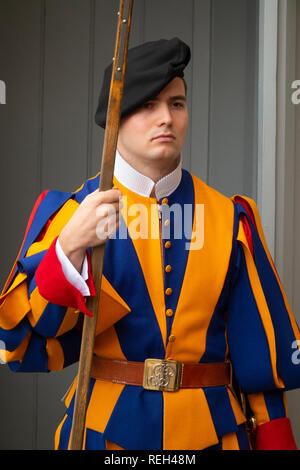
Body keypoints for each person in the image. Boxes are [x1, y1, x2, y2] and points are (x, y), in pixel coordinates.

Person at [1, 37, 300, 451]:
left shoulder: (231, 219)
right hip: (104, 435)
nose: (167, 118)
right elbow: (27, 339)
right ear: (114, 118)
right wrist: (68, 247)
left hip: (216, 433)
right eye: (147, 104)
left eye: (177, 103)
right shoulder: (69, 215)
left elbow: (261, 361)